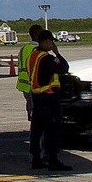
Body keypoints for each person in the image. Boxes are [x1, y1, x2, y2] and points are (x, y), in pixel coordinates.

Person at [27, 29, 71, 171]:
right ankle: (53, 159)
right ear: (45, 42)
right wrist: (57, 53)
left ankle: (36, 159)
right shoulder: (46, 58)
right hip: (48, 96)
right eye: (51, 42)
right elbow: (63, 68)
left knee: (37, 130)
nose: (52, 45)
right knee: (52, 129)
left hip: (36, 96)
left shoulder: (33, 56)